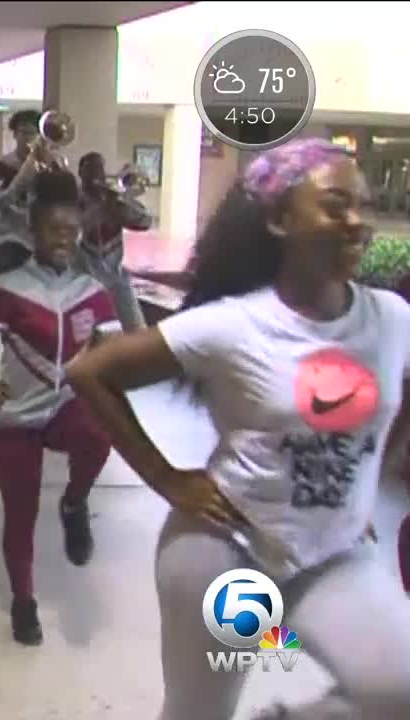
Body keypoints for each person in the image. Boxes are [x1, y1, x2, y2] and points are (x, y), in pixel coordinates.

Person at [66, 138, 410, 719]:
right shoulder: (232, 327)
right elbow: (89, 371)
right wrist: (168, 480)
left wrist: (363, 486)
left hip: (334, 555)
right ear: (279, 220)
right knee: (199, 713)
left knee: (398, 688)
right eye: (334, 206)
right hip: (227, 555)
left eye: (361, 206)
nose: (356, 224)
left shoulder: (393, 318)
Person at [0, 169, 114, 646]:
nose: (65, 239)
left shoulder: (90, 291)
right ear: (35, 231)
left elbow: (112, 348)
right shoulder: (8, 289)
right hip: (15, 420)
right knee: (21, 514)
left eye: (72, 231)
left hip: (64, 409)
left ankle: (75, 503)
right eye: (55, 230)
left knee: (100, 435)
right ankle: (23, 602)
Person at [76, 152, 152, 332]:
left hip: (116, 277)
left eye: (99, 171)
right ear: (80, 173)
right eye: (90, 171)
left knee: (138, 332)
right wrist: (103, 207)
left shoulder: (113, 199)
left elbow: (145, 222)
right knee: (86, 336)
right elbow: (76, 230)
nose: (96, 176)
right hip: (82, 279)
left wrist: (124, 201)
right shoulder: (74, 199)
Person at [0, 111, 49, 277]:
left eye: (33, 133)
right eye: (24, 132)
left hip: (40, 243)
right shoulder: (1, 166)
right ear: (14, 134)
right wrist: (19, 184)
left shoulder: (48, 165)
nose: (28, 137)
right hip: (8, 240)